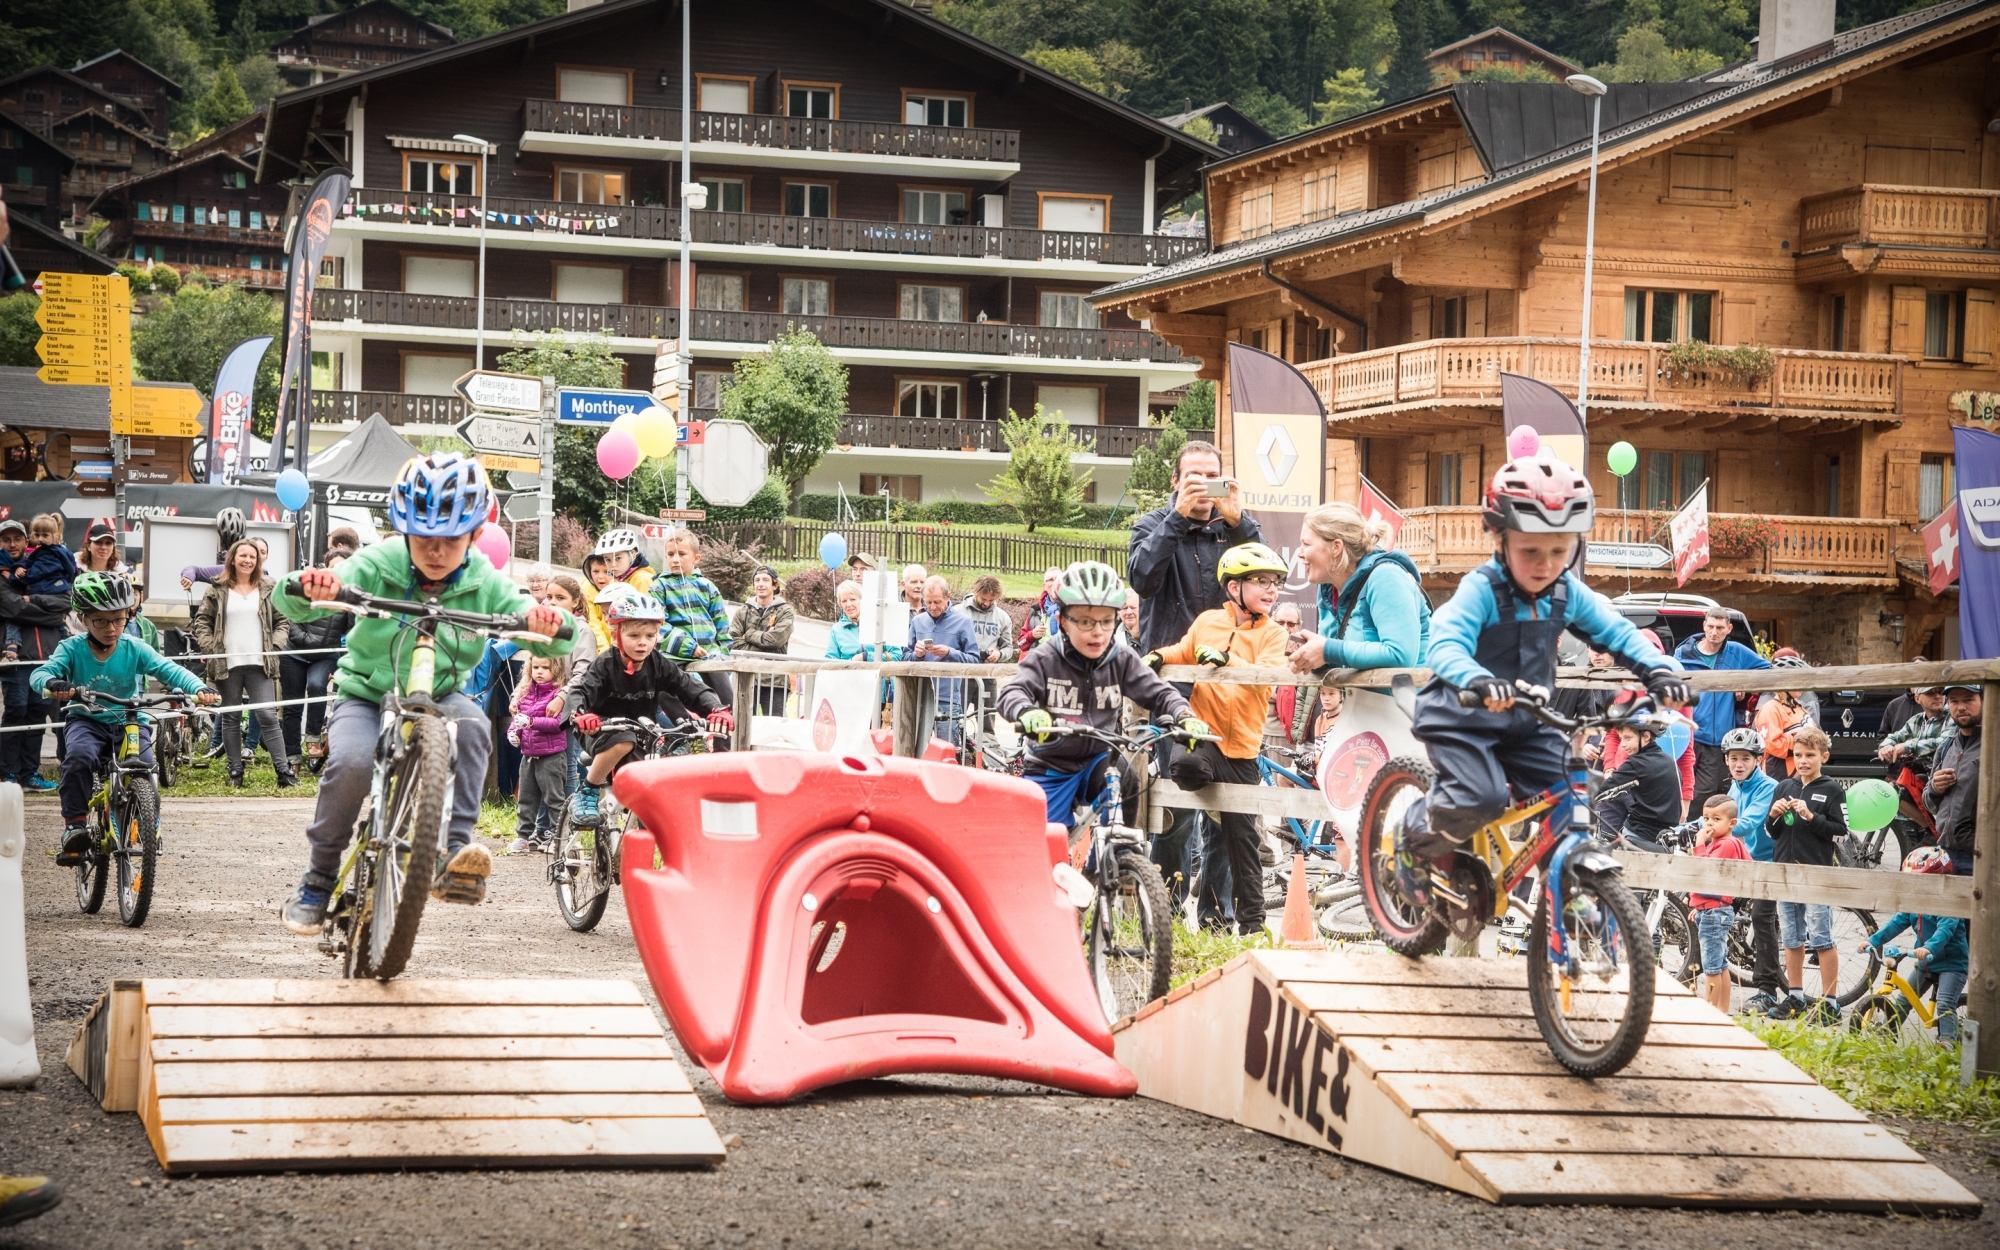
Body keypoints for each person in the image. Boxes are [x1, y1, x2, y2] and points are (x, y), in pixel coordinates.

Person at [276, 452, 572, 934]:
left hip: (443, 691)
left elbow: (549, 626)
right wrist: (313, 586)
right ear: (404, 531)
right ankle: (319, 876)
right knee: (350, 764)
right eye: (424, 538)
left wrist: (547, 622)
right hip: (367, 693)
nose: (436, 551)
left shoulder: (483, 579)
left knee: (475, 727)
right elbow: (306, 596)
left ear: (475, 536)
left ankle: (454, 851)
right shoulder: (381, 560)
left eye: (451, 540)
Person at [1404, 456, 1686, 902]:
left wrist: (1659, 668)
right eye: (1530, 551)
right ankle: (1413, 842)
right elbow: (1445, 642)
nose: (1545, 564)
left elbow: (1616, 631)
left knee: (1575, 789)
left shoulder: (1564, 591)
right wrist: (1475, 678)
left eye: (1559, 551)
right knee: (1480, 797)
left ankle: (1558, 902)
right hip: (1461, 715)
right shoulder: (1483, 589)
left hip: (1525, 721)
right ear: (1500, 538)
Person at [1146, 542, 1291, 935]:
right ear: (1233, 588)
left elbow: (1270, 675)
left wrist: (1230, 661)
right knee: (1185, 765)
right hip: (1204, 734)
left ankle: (1250, 926)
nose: (1271, 589)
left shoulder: (1274, 634)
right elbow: (1184, 649)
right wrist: (1159, 657)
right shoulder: (1208, 620)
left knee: (1241, 844)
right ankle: (1212, 805)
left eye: (1275, 582)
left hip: (1243, 747)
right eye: (1260, 581)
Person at [997, 560, 1203, 829]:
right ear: (1062, 622)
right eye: (1085, 621)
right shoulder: (1046, 658)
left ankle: (1115, 857)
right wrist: (1026, 711)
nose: (1098, 632)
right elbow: (1013, 691)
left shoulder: (1121, 659)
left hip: (1098, 758)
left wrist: (1183, 714)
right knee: (1047, 846)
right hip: (1051, 763)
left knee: (1125, 778)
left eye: (1106, 621)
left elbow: (1158, 691)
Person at [29, 572, 219, 862]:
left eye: (119, 619)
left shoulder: (135, 647)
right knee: (79, 757)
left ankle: (146, 822)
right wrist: (53, 684)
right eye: (101, 621)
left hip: (129, 721)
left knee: (147, 766)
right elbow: (40, 674)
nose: (112, 628)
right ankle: (75, 826)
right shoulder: (71, 648)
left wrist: (198, 687)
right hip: (87, 720)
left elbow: (169, 669)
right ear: (83, 618)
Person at [566, 591, 730, 828]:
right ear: (615, 635)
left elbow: (690, 687)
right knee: (623, 740)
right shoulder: (604, 664)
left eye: (650, 635)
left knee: (661, 765)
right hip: (598, 727)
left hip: (643, 732)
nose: (642, 642)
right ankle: (588, 790)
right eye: (633, 635)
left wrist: (716, 708)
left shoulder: (659, 664)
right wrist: (580, 714)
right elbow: (579, 690)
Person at [1128, 441, 1262, 653]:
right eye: (1194, 476)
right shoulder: (1152, 525)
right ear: (1176, 481)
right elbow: (1142, 581)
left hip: (1227, 659)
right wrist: (1177, 518)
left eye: (1211, 476)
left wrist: (1237, 524)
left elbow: (1268, 581)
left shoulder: (1234, 525)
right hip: (1169, 661)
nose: (1203, 484)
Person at [192, 539, 298, 788]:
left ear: (258, 560)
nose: (248, 560)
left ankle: (284, 772)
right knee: (231, 716)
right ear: (232, 558)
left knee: (267, 715)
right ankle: (235, 772)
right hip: (227, 664)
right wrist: (211, 648)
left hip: (260, 664)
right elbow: (202, 622)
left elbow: (283, 622)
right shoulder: (216, 587)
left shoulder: (269, 587)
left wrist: (274, 646)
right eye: (243, 556)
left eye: (253, 557)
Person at [1286, 501, 1429, 677]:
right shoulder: (1327, 589)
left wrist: (1326, 650)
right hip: (1362, 702)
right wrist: (1309, 658)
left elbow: (1400, 655)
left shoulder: (1387, 576)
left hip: (1408, 702)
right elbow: (1338, 656)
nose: (1299, 553)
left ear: (1336, 547)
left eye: (1306, 544)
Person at [1764, 725, 1844, 1020]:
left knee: (1821, 937)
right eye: (1798, 755)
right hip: (1785, 871)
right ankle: (1795, 997)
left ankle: (1830, 1003)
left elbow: (1840, 831)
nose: (1803, 761)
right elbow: (1772, 832)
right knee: (1791, 937)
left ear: (1824, 756)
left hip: (1816, 873)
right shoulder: (1784, 786)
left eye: (1810, 755)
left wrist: (1811, 817)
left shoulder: (1832, 789)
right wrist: (1772, 815)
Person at [1860, 846, 1967, 1042]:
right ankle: (1887, 1034)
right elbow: (1895, 924)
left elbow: (1945, 931)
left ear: (1939, 879)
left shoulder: (1948, 904)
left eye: (1921, 881)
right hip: (1926, 962)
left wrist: (1928, 947)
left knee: (1944, 1004)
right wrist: (1872, 941)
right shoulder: (1915, 902)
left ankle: (1948, 1043)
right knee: (1904, 999)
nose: (1915, 886)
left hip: (1952, 964)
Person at [1719, 727, 1788, 1016]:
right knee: (1713, 904)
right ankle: (1713, 970)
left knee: (1761, 917)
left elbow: (1746, 822)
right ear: (1726, 760)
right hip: (1745, 862)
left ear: (1757, 760)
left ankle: (1767, 990)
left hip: (1769, 863)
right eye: (1734, 758)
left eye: (1745, 759)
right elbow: (1722, 815)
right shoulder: (1736, 785)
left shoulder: (1767, 786)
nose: (1739, 764)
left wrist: (1712, 829)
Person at [1673, 606, 1769, 811]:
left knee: (1704, 793)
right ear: (1704, 626)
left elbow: (1767, 670)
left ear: (1729, 629)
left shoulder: (1737, 652)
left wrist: (1743, 683)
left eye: (1719, 627)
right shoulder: (1682, 654)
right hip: (1686, 735)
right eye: (1710, 626)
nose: (1714, 632)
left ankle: (1698, 836)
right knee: (1679, 788)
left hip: (1717, 740)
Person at [0, 520, 66, 791]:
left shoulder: (36, 569)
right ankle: (8, 775)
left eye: (18, 539)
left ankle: (30, 774)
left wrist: (34, 603)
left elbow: (65, 602)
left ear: (26, 541)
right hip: (17, 660)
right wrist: (46, 612)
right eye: (6, 539)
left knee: (38, 716)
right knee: (17, 713)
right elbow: (13, 609)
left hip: (46, 658)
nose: (12, 544)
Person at [279, 550, 350, 773]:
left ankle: (312, 738)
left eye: (343, 567)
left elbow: (353, 630)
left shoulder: (349, 594)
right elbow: (289, 617)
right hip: (294, 654)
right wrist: (305, 639)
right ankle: (292, 759)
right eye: (334, 566)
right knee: (292, 706)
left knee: (317, 685)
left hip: (326, 655)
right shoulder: (310, 586)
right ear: (324, 566)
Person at [651, 527, 734, 714]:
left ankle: (725, 741)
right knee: (663, 688)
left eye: (681, 554)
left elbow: (721, 624)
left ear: (696, 558)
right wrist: (688, 646)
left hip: (709, 654)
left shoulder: (708, 586)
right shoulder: (659, 586)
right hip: (673, 654)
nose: (675, 559)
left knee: (727, 700)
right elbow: (658, 624)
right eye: (670, 554)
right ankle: (688, 732)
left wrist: (722, 654)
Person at [1593, 694, 1682, 849]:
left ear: (1646, 736)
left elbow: (1602, 790)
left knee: (1601, 843)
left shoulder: (1635, 763)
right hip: (1666, 843)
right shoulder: (1670, 762)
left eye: (1628, 738)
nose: (1622, 745)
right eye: (1620, 739)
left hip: (1639, 837)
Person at [1688, 794, 1750, 1014]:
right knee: (1720, 964)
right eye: (1706, 818)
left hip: (1715, 912)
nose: (1709, 824)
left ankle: (1711, 1014)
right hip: (1712, 909)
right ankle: (1720, 1012)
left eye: (1716, 819)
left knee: (1712, 967)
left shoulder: (1726, 844)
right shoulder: (1722, 843)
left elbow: (1705, 875)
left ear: (1732, 823)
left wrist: (1698, 844)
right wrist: (1699, 906)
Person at [508, 654, 570, 853]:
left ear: (556, 670)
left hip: (552, 756)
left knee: (554, 798)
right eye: (536, 668)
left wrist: (532, 722)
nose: (539, 672)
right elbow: (517, 720)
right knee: (526, 798)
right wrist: (513, 733)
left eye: (545, 667)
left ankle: (558, 836)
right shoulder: (525, 693)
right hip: (528, 755)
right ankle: (523, 836)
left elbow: (557, 724)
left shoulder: (557, 696)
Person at [909, 575, 979, 746]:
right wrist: (916, 655)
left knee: (946, 750)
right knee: (916, 750)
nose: (932, 607)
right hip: (919, 695)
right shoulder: (917, 621)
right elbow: (904, 657)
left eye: (937, 602)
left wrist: (950, 652)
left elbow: (975, 660)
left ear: (948, 597)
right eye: (928, 602)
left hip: (947, 698)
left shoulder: (963, 622)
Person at [1925, 684, 1982, 876]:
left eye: (1968, 700)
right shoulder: (1945, 747)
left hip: (1981, 857)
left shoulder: (1994, 745)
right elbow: (1929, 804)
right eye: (1954, 701)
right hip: (1946, 853)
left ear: (1984, 701)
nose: (1961, 707)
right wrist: (1934, 788)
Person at [731, 566, 794, 716]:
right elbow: (733, 641)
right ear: (753, 585)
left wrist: (749, 634)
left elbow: (776, 640)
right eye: (757, 580)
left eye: (765, 580)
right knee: (743, 727)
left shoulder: (785, 611)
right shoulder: (742, 611)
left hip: (775, 680)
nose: (761, 584)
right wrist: (765, 642)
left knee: (774, 728)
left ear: (775, 585)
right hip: (746, 677)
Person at [1753, 658, 1817, 779]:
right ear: (1783, 682)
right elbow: (1772, 744)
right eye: (1798, 680)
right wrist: (1805, 743)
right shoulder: (1770, 709)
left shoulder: (1799, 707)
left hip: (1804, 776)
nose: (1802, 684)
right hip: (1781, 777)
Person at [1876, 685, 1949, 772]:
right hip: (1921, 777)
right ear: (1917, 699)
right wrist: (1886, 747)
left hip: (1944, 775)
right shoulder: (1916, 720)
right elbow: (1895, 736)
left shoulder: (1952, 717)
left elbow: (1944, 742)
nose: (1937, 696)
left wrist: (1906, 746)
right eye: (1930, 693)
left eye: (1940, 692)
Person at [9, 514, 75, 596]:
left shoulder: (52, 555)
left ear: (56, 535)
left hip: (51, 593)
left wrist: (11, 577)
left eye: (45, 535)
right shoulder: (43, 550)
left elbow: (35, 573)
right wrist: (19, 567)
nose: (40, 539)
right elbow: (29, 561)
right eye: (37, 535)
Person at [1016, 567, 1062, 654]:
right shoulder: (1036, 611)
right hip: (1039, 664)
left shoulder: (1073, 610)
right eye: (1051, 580)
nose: (1055, 583)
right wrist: (1032, 635)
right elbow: (1020, 644)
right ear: (1044, 586)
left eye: (1058, 579)